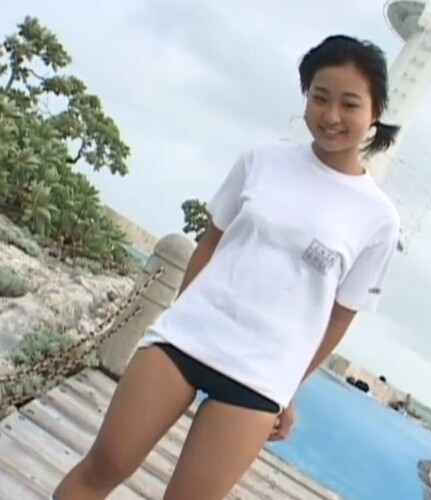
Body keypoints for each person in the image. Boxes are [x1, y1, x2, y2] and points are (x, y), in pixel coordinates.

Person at [52, 34, 401, 500]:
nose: (331, 115)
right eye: (319, 97)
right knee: (102, 467)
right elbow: (211, 242)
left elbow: (340, 315)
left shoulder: (379, 219)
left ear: (376, 112)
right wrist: (182, 314)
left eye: (349, 103)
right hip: (185, 339)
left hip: (260, 377)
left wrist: (288, 387)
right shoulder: (262, 159)